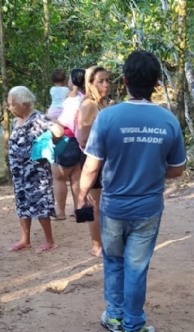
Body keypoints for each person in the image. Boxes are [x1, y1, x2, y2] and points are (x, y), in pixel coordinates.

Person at [77, 50, 186, 332]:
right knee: (136, 267)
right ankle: (134, 327)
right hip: (148, 207)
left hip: (113, 206)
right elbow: (177, 169)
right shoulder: (168, 120)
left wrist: (81, 195)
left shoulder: (108, 117)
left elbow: (92, 165)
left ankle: (114, 317)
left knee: (113, 262)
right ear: (155, 82)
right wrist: (150, 169)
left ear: (124, 81)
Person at [7, 86, 65, 253]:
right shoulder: (15, 121)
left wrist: (46, 142)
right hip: (19, 173)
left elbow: (59, 131)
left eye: (12, 104)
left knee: (40, 204)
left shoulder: (38, 118)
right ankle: (25, 239)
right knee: (22, 204)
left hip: (36, 173)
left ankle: (50, 240)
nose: (10, 108)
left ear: (24, 104)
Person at [77, 66, 110, 257]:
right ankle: (96, 245)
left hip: (103, 159)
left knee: (104, 204)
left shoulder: (103, 104)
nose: (105, 84)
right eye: (100, 81)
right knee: (95, 205)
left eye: (107, 80)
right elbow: (82, 138)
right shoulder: (89, 105)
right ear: (90, 84)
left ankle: (104, 241)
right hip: (92, 159)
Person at [52, 68, 85, 220]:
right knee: (76, 177)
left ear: (74, 81)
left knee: (59, 177)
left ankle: (60, 211)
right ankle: (78, 209)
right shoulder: (85, 98)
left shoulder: (72, 100)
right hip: (80, 143)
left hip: (66, 140)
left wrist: (50, 122)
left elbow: (65, 120)